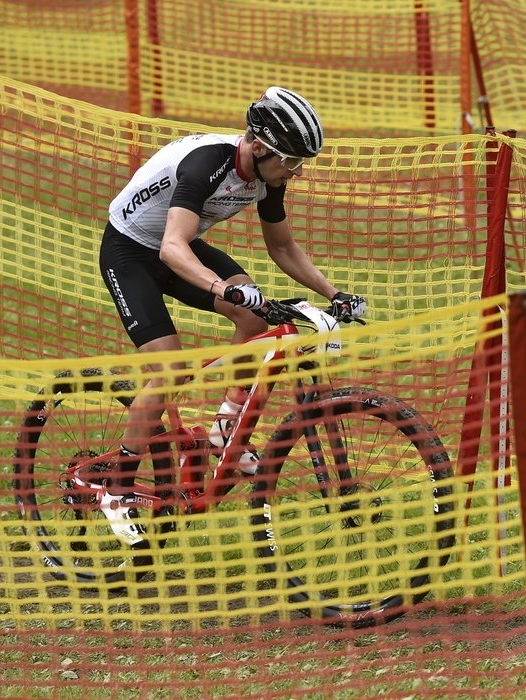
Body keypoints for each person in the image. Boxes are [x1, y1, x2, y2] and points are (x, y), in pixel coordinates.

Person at [97, 86, 366, 545]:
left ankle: (225, 434)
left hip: (176, 246)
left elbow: (282, 246)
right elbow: (172, 247)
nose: (295, 173)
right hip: (131, 252)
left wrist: (334, 293)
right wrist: (224, 288)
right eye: (290, 161)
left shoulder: (268, 174)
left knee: (255, 319)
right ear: (258, 145)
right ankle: (115, 486)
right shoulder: (209, 163)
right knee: (171, 369)